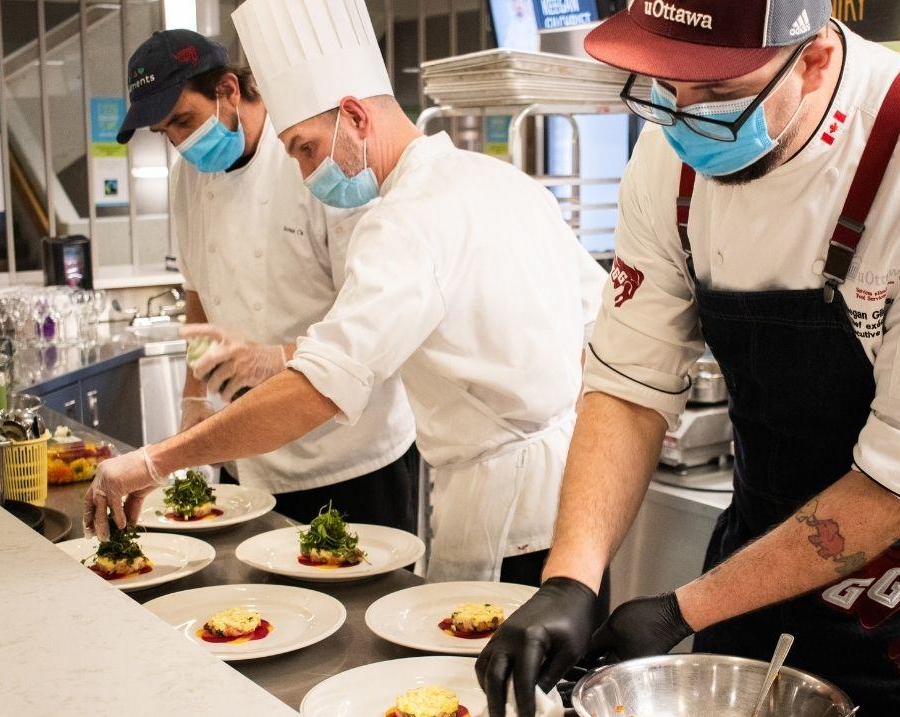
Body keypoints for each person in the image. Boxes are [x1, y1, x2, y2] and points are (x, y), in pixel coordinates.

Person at [478, 1, 900, 715]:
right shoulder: (669, 157)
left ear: (814, 58)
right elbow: (629, 384)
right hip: (768, 525)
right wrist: (570, 577)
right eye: (665, 88)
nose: (683, 119)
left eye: (719, 94)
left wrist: (683, 608)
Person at [85, 0, 608, 585]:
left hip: (501, 515)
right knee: (572, 676)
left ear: (356, 116)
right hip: (580, 508)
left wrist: (155, 460)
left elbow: (319, 387)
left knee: (492, 672)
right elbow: (603, 320)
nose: (308, 174)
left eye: (307, 148)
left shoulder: (402, 221)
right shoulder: (505, 181)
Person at [113, 29, 419, 530]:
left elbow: (369, 314)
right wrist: (195, 397)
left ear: (229, 90)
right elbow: (198, 295)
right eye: (164, 132)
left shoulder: (315, 158)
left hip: (351, 454)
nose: (180, 144)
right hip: (248, 454)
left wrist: (274, 360)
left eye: (184, 121)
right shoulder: (186, 180)